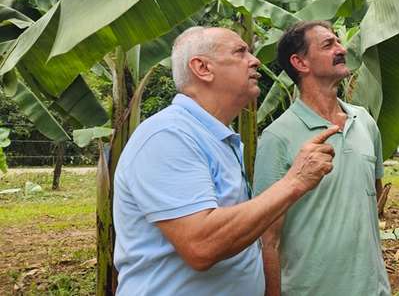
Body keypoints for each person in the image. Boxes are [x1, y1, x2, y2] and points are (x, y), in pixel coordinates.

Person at [113, 26, 338, 295]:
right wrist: (295, 182)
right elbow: (201, 245)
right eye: (240, 52)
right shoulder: (169, 135)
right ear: (202, 68)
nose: (254, 60)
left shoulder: (217, 136)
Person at [253, 20, 391, 296]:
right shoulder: (277, 137)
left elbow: (373, 194)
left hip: (373, 288)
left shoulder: (364, 121)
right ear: (300, 63)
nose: (341, 48)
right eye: (328, 44)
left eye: (338, 41)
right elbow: (268, 238)